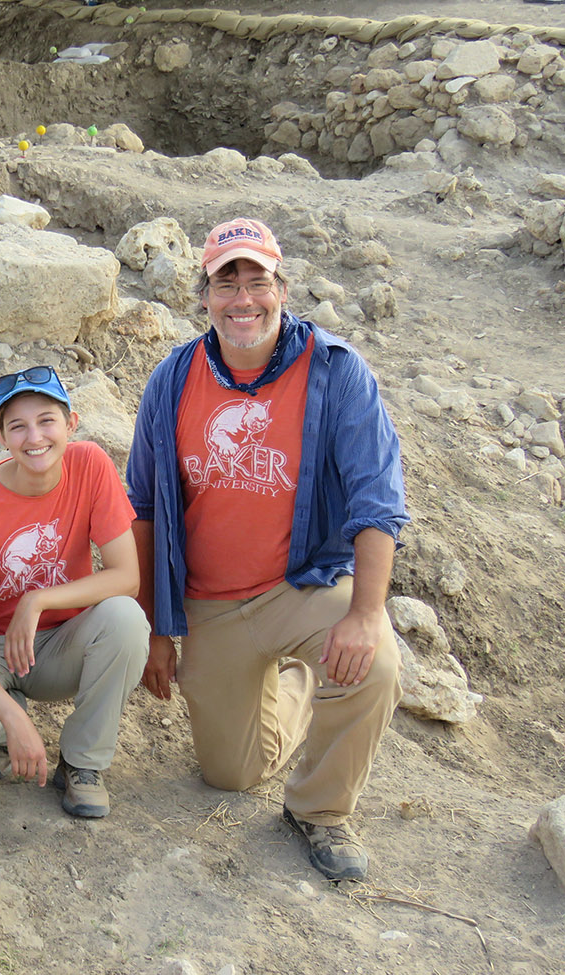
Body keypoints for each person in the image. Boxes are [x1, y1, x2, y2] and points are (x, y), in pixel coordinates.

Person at [126, 217, 407, 881]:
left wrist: (365, 615)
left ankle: (321, 809)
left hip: (302, 581)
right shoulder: (171, 381)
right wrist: (154, 628)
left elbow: (377, 500)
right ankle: (300, 682)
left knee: (374, 664)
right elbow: (140, 507)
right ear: (204, 296)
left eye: (258, 281)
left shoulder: (336, 372)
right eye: (228, 283)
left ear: (282, 287)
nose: (243, 298)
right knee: (230, 772)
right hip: (211, 602)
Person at [0, 366, 150, 818]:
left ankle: (81, 764)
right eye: (18, 426)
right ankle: (2, 727)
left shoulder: (90, 465)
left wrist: (37, 599)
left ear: (71, 424)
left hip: (56, 645)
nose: (35, 437)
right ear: (0, 437)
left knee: (126, 619)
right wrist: (16, 722)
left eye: (47, 420)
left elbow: (127, 576)